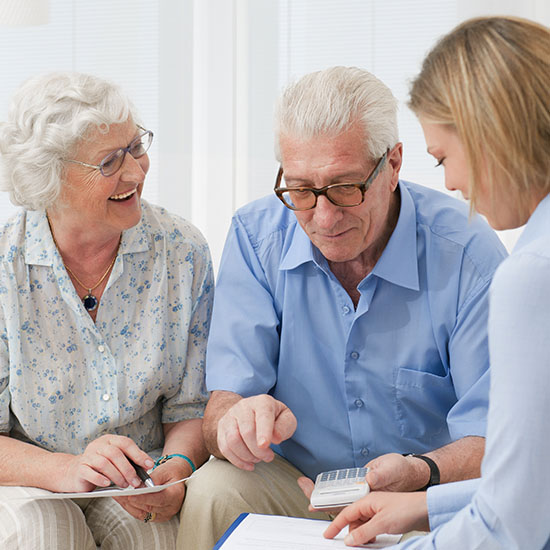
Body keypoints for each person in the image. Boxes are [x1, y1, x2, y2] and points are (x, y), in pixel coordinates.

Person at [177, 65, 508, 550]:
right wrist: (239, 423)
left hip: (423, 497)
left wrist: (421, 471)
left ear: (393, 165)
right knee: (213, 490)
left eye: (345, 187)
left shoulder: (468, 255)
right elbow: (223, 405)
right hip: (299, 490)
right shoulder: (256, 237)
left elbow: (497, 441)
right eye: (302, 190)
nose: (324, 217)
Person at [323, 16, 550, 549]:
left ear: (489, 132)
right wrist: (425, 507)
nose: (451, 184)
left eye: (445, 157)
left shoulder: (531, 273)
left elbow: (511, 524)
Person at [0, 72, 213, 549]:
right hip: (28, 476)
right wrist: (68, 469)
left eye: (136, 148)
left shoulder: (181, 252)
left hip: (139, 474)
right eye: (110, 162)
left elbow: (190, 405)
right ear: (49, 178)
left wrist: (175, 471)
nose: (136, 172)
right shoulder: (5, 269)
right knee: (47, 535)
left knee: (154, 541)